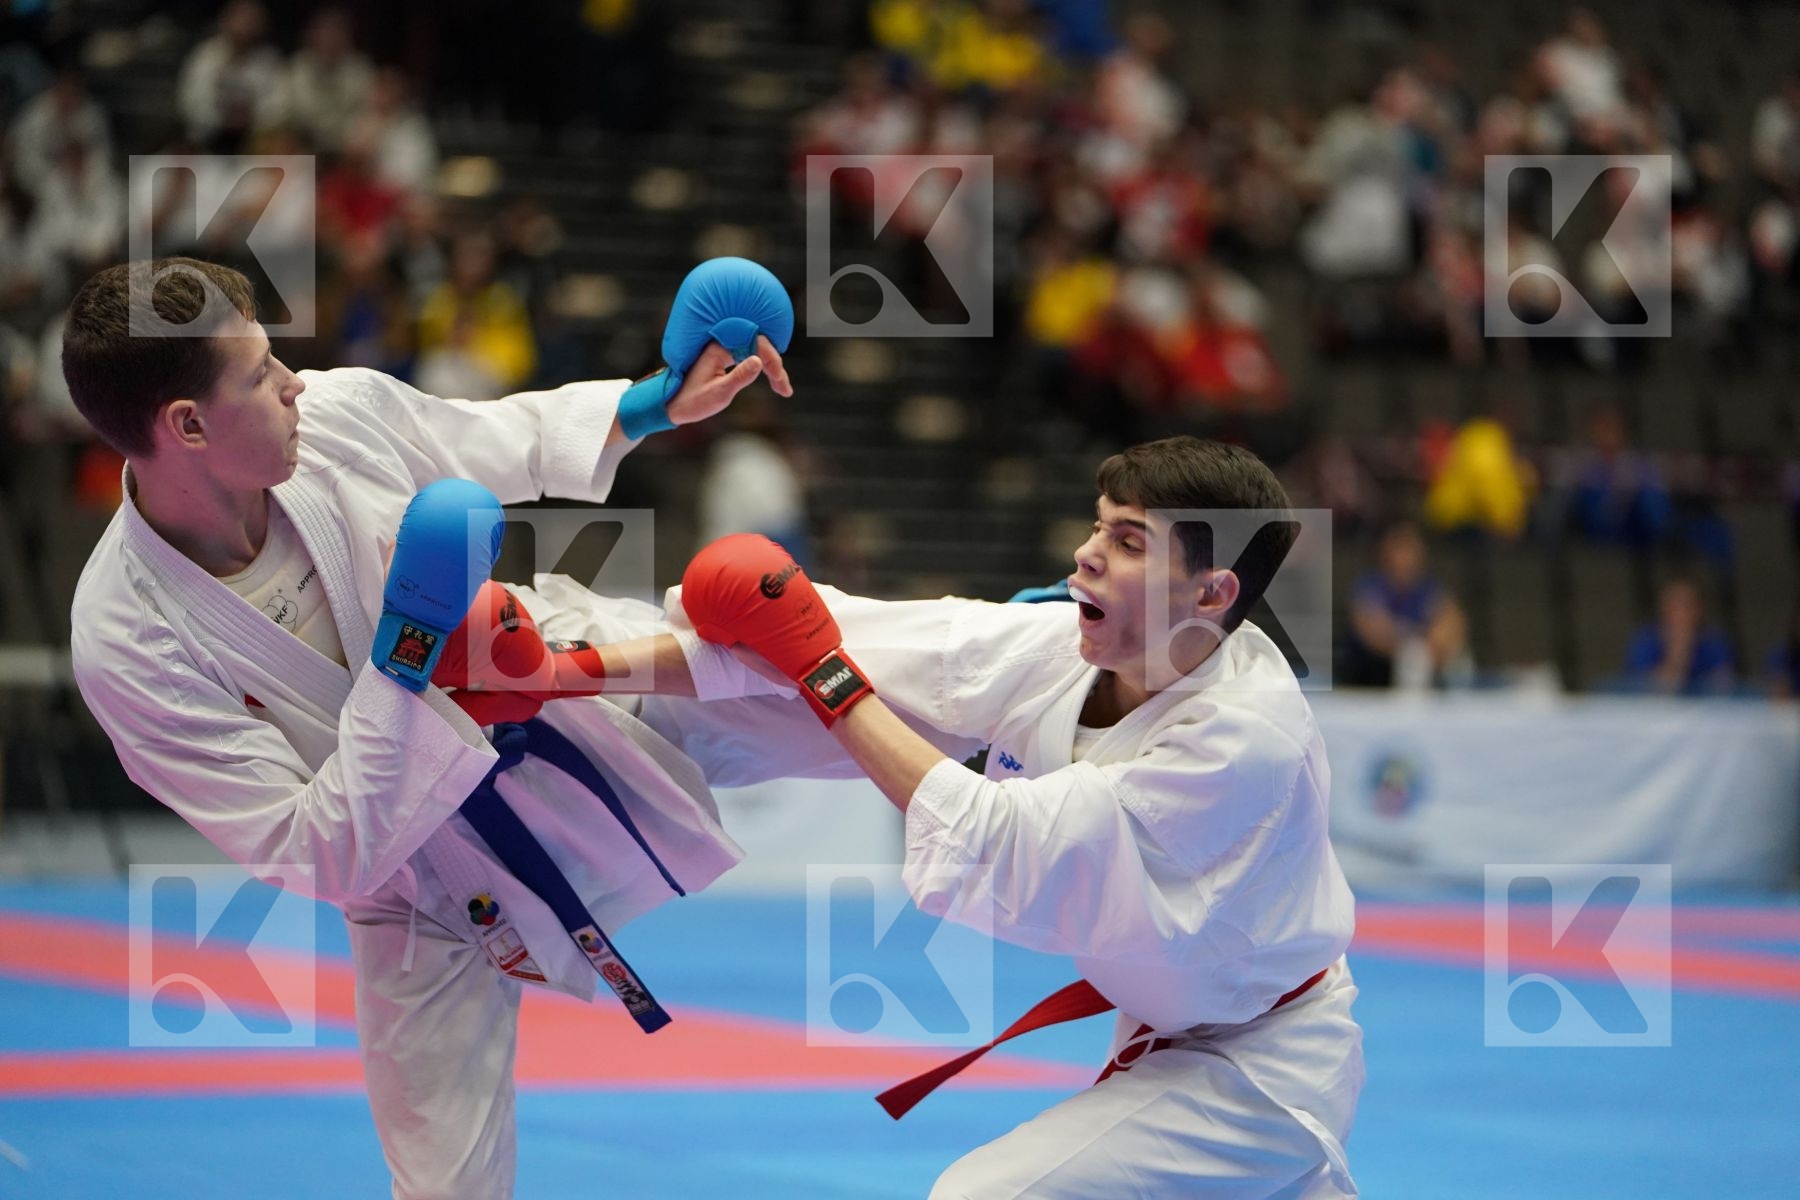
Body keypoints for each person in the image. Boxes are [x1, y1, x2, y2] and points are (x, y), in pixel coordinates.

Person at [62, 255, 792, 1198]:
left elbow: (507, 437)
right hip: (406, 886)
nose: (293, 384)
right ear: (187, 425)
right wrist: (405, 658)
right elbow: (310, 850)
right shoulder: (125, 638)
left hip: (550, 695)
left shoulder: (334, 415)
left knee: (811, 666)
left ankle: (1036, 670)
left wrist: (654, 403)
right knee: (446, 1188)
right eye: (258, 374)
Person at [613, 437, 1363, 1197]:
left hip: (1259, 1067)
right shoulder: (1069, 645)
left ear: (1210, 595)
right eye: (1098, 527)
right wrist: (559, 669)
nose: (1087, 554)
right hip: (1177, 1023)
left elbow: (996, 834)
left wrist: (827, 679)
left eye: (1129, 542)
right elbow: (833, 636)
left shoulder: (1240, 743)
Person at [1342, 519, 1468, 689]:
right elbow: (1373, 630)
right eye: (1400, 548)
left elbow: (1452, 623)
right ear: (1385, 552)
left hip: (1420, 671)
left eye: (1410, 548)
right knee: (1413, 656)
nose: (1405, 557)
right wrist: (1412, 645)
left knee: (1457, 660)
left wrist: (1433, 645)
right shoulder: (1371, 587)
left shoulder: (1428, 590)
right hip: (1370, 678)